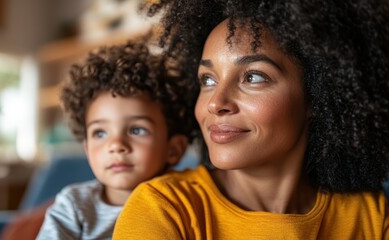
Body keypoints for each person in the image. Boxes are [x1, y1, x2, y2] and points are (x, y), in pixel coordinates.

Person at [113, 0, 389, 239]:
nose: (215, 103)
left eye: (253, 77)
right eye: (208, 80)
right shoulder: (164, 209)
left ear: (316, 96)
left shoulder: (367, 213)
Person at [36, 39, 197, 239]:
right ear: (87, 148)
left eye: (137, 130)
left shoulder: (184, 203)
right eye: (100, 133)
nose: (116, 145)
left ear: (174, 149)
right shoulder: (74, 205)